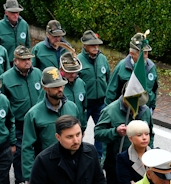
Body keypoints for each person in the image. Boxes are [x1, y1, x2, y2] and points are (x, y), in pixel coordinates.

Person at [21, 66, 84, 184]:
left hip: (70, 165)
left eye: (61, 85)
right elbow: (27, 147)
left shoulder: (72, 107)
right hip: (46, 169)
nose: (60, 89)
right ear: (45, 88)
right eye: (55, 86)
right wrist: (28, 175)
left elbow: (78, 137)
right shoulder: (33, 114)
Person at [94, 84, 154, 184]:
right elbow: (98, 133)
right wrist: (114, 132)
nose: (137, 105)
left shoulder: (145, 111)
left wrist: (150, 152)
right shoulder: (111, 111)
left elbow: (151, 133)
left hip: (139, 161)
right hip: (115, 159)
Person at [0, 46, 42, 184]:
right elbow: (2, 102)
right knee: (20, 152)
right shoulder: (5, 78)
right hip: (18, 122)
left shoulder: (38, 74)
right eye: (24, 60)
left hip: (37, 120)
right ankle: (20, 180)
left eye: (29, 59)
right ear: (15, 61)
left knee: (39, 149)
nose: (27, 62)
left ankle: (37, 178)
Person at [77, 30, 110, 159]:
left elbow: (108, 78)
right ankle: (78, 157)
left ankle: (99, 158)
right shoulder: (78, 60)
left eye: (97, 44)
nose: (96, 47)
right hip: (84, 104)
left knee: (101, 131)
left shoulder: (103, 59)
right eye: (92, 45)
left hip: (100, 103)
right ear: (85, 45)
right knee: (79, 131)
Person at [105, 33, 158, 112]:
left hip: (144, 111)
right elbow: (111, 91)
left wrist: (152, 107)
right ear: (132, 53)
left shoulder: (151, 67)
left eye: (147, 53)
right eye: (142, 53)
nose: (146, 56)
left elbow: (154, 89)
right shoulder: (122, 66)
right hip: (125, 111)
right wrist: (109, 111)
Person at [59, 53, 88, 129]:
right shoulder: (56, 87)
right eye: (70, 72)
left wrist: (83, 127)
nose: (73, 75)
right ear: (61, 70)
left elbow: (84, 108)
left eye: (75, 71)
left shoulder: (81, 83)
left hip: (78, 128)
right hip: (63, 129)